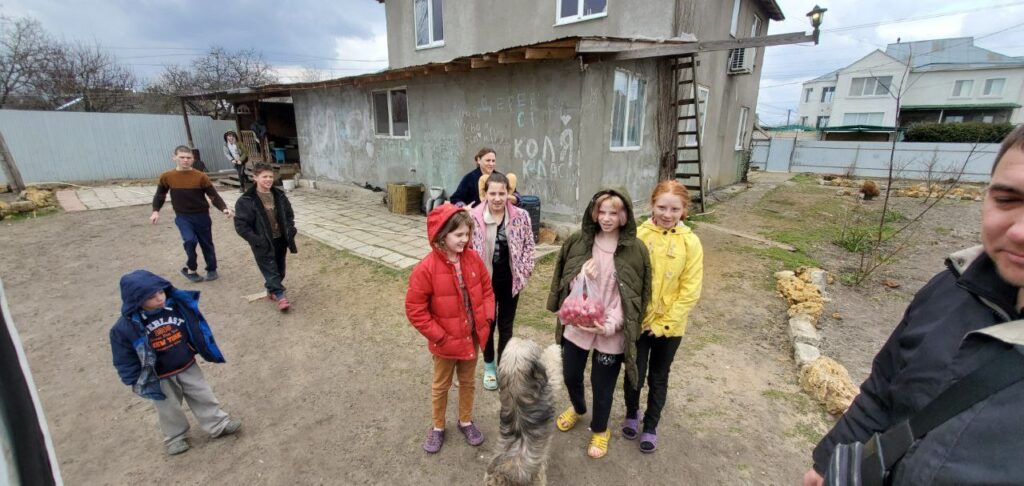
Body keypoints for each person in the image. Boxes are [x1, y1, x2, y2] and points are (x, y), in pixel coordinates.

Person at [803, 125, 1024, 485]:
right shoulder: (951, 287)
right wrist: (831, 461)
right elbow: (883, 386)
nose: (1019, 232)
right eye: (1007, 199)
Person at [546, 189, 651, 459]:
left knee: (603, 385)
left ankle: (600, 429)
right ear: (594, 212)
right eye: (601, 211)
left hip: (609, 332)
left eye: (613, 213)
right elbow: (566, 280)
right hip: (578, 325)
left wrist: (610, 325)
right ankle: (579, 408)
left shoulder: (635, 250)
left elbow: (632, 297)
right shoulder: (580, 242)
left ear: (624, 215)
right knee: (570, 374)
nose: (606, 218)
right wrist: (580, 275)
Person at [109, 270, 241, 456]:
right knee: (167, 406)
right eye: (151, 297)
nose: (159, 298)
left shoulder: (176, 306)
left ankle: (218, 424)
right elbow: (123, 357)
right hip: (159, 374)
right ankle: (175, 437)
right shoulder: (125, 327)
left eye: (161, 292)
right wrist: (133, 378)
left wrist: (201, 346)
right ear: (136, 300)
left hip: (187, 363)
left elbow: (195, 326)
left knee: (202, 394)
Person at [406, 204, 496, 454]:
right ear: (441, 234)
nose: (465, 240)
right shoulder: (426, 269)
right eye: (459, 235)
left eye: (467, 234)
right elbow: (415, 309)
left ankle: (465, 421)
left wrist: (486, 319)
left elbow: (488, 291)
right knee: (441, 385)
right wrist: (439, 336)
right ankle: (437, 427)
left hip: (471, 338)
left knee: (467, 382)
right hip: (444, 343)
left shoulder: (474, 259)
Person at [621, 180, 703, 453]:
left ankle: (651, 425)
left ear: (684, 210)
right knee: (635, 372)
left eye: (674, 209)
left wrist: (664, 323)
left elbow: (690, 290)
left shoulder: (691, 243)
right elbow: (629, 276)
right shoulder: (640, 235)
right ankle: (632, 412)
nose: (667, 214)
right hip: (640, 322)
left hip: (670, 327)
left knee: (658, 376)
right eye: (662, 207)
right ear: (652, 205)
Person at [469, 173, 535, 391]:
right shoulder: (473, 217)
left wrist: (524, 272)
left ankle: (505, 367)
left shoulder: (521, 216)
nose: (497, 198)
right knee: (487, 325)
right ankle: (489, 367)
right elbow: (465, 247)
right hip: (484, 283)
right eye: (492, 193)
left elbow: (529, 246)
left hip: (510, 281)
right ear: (485, 194)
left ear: (509, 193)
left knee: (506, 326)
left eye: (502, 193)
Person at [150, 145, 234, 283]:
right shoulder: (167, 177)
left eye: (188, 158)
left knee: (206, 243)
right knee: (189, 240)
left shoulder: (201, 176)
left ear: (193, 159)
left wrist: (224, 208)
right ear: (174, 157)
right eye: (182, 157)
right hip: (183, 216)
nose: (185, 160)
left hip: (202, 215)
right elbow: (160, 195)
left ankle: (212, 269)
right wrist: (155, 211)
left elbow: (213, 195)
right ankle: (191, 269)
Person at [233, 163, 298, 312]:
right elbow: (241, 225)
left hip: (280, 239)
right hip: (262, 242)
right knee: (270, 269)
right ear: (255, 178)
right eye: (264, 177)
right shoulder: (246, 200)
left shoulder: (279, 195)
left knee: (280, 269)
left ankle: (271, 289)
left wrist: (290, 229)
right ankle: (281, 296)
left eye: (270, 176)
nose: (268, 179)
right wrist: (256, 239)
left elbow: (289, 215)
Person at [450, 148, 519, 207]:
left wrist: (512, 198)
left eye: (493, 161)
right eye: (488, 160)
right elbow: (455, 199)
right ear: (479, 160)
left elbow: (516, 196)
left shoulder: (500, 177)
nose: (491, 164)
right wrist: (465, 208)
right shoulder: (469, 178)